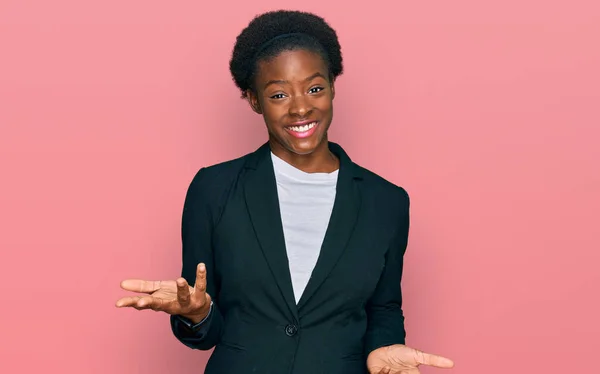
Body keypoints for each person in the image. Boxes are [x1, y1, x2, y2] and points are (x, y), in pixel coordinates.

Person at [116, 10, 454, 374]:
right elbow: (204, 325)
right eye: (278, 94)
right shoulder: (213, 189)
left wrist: (384, 350)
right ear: (254, 100)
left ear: (332, 87)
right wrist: (197, 313)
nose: (301, 107)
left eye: (314, 88)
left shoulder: (386, 202)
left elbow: (384, 307)